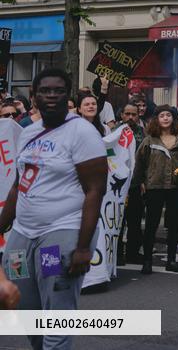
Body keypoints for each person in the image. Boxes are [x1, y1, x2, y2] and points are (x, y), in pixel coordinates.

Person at [0, 68, 107, 350]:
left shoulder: (83, 133)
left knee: (57, 307)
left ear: (67, 95)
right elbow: (17, 186)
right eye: (45, 90)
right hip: (23, 234)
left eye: (58, 90)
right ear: (33, 96)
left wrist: (83, 247)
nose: (51, 95)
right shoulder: (28, 133)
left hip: (59, 235)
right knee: (24, 307)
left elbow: (95, 190)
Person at [135, 106, 178, 274]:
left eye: (168, 115)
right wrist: (140, 182)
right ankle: (147, 261)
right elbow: (140, 162)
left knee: (174, 225)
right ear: (157, 119)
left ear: (173, 119)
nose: (165, 118)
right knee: (151, 225)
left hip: (176, 186)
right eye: (162, 116)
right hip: (154, 185)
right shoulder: (150, 139)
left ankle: (171, 260)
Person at [118, 103, 146, 266]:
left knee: (135, 221)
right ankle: (117, 254)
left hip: (136, 184)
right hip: (119, 185)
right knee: (119, 222)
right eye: (127, 114)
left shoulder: (143, 132)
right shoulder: (115, 132)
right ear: (122, 115)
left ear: (138, 116)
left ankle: (133, 253)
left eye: (133, 114)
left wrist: (143, 180)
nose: (130, 117)